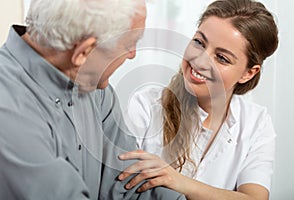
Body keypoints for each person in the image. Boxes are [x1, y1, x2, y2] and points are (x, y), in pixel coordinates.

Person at [0, 0, 186, 199]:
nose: (132, 55)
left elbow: (135, 181)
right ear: (84, 52)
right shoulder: (8, 111)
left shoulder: (95, 90)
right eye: (129, 44)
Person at [118, 0, 279, 199]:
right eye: (199, 43)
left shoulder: (257, 124)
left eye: (221, 58)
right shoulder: (145, 106)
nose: (200, 61)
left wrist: (178, 181)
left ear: (248, 73)